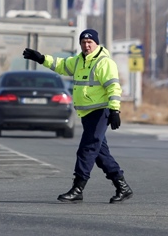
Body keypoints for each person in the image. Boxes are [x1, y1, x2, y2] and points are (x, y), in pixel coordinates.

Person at [23, 28, 132, 203]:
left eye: (90, 42)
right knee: (100, 153)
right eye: (83, 42)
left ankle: (78, 188)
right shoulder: (79, 60)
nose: (86, 45)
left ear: (97, 43)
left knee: (87, 149)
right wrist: (41, 58)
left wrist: (114, 110)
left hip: (100, 111)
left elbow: (113, 87)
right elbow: (61, 65)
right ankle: (122, 187)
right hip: (87, 112)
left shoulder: (105, 63)